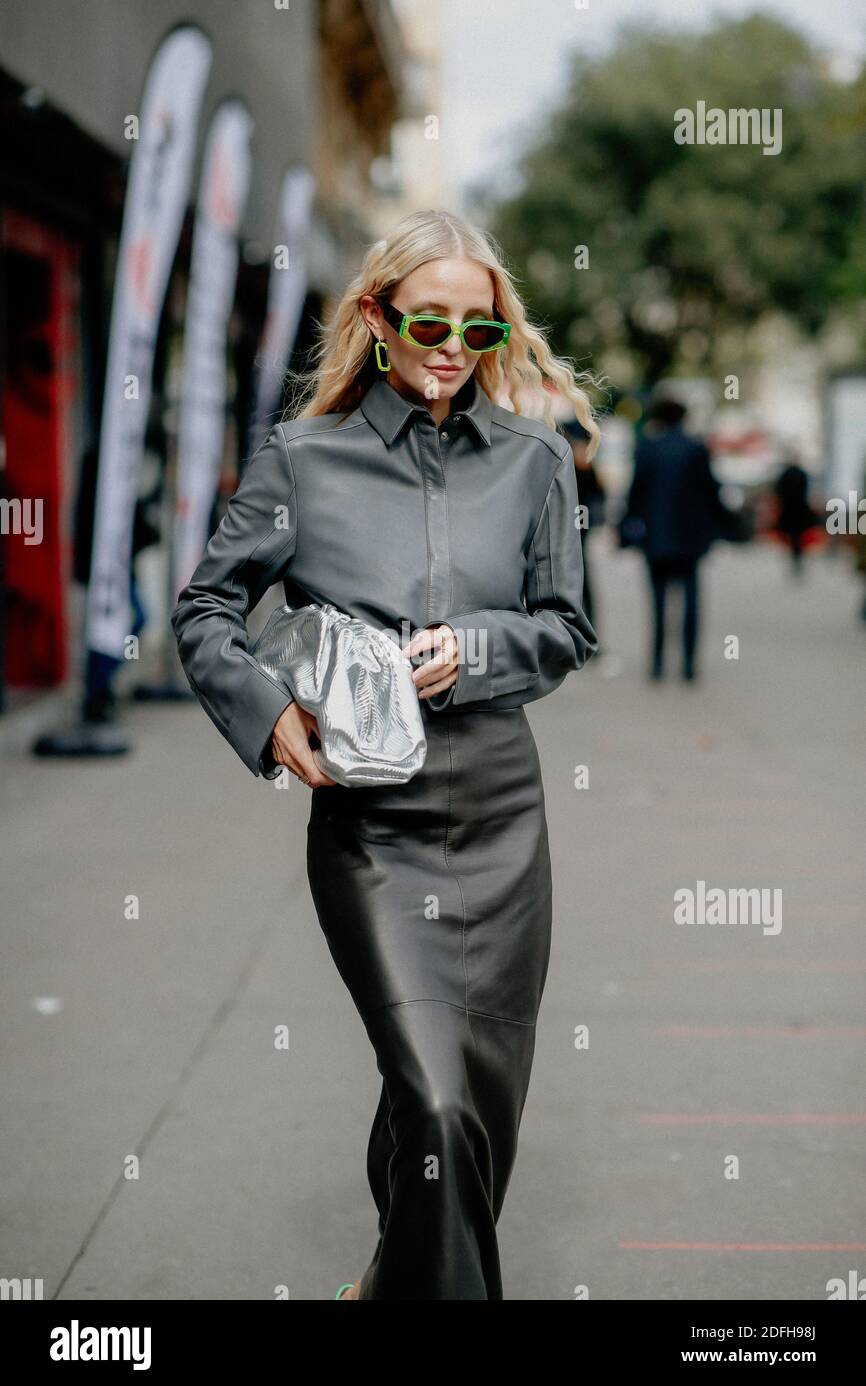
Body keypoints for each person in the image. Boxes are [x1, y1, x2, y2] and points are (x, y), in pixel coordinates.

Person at [171, 209, 599, 1300]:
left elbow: (566, 626)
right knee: (437, 1093)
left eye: (481, 330)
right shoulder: (300, 458)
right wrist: (268, 714)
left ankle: (389, 1281)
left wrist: (482, 645)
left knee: (465, 1109)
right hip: (373, 825)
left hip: (503, 814)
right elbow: (209, 607)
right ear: (375, 315)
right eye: (430, 321)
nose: (455, 346)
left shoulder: (537, 461)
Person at [622, 396, 723, 681]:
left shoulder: (647, 447)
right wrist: (720, 528)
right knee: (691, 602)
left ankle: (656, 663)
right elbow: (711, 492)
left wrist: (626, 530)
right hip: (690, 539)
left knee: (657, 603)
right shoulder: (696, 448)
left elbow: (635, 493)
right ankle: (689, 665)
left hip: (655, 539)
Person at [562, 418, 605, 638]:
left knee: (583, 581)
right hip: (563, 530)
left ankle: (587, 633)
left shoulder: (586, 467)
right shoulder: (561, 461)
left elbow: (598, 494)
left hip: (579, 531)